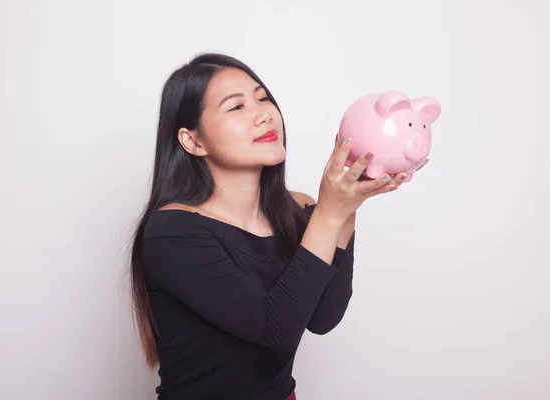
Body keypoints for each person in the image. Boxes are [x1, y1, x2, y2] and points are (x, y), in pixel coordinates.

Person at [129, 53, 414, 400]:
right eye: (236, 107)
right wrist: (329, 213)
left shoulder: (301, 208)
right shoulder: (172, 231)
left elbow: (323, 318)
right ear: (193, 141)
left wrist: (346, 207)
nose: (264, 114)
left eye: (263, 98)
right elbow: (274, 329)